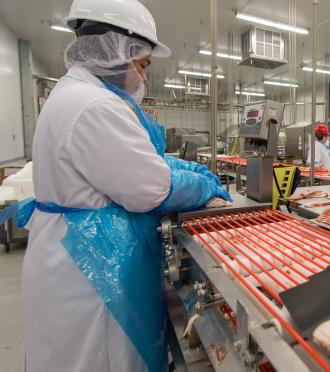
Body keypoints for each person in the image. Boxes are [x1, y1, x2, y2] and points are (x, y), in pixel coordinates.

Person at [5, 1, 230, 371]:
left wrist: (189, 168)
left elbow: (137, 161)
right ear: (116, 51)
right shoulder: (94, 105)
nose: (143, 77)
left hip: (73, 257)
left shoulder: (76, 94)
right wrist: (206, 187)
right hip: (90, 272)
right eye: (142, 65)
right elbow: (151, 188)